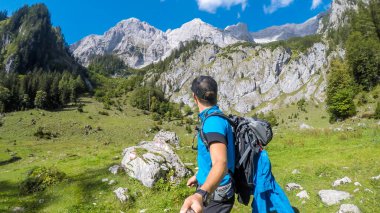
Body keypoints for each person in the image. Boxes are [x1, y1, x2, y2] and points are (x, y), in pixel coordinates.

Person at [180, 76, 235, 213]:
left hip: (215, 193)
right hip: (215, 187)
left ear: (194, 97)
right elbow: (212, 158)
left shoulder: (212, 123)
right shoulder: (216, 117)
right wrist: (199, 176)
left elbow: (220, 163)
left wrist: (201, 194)